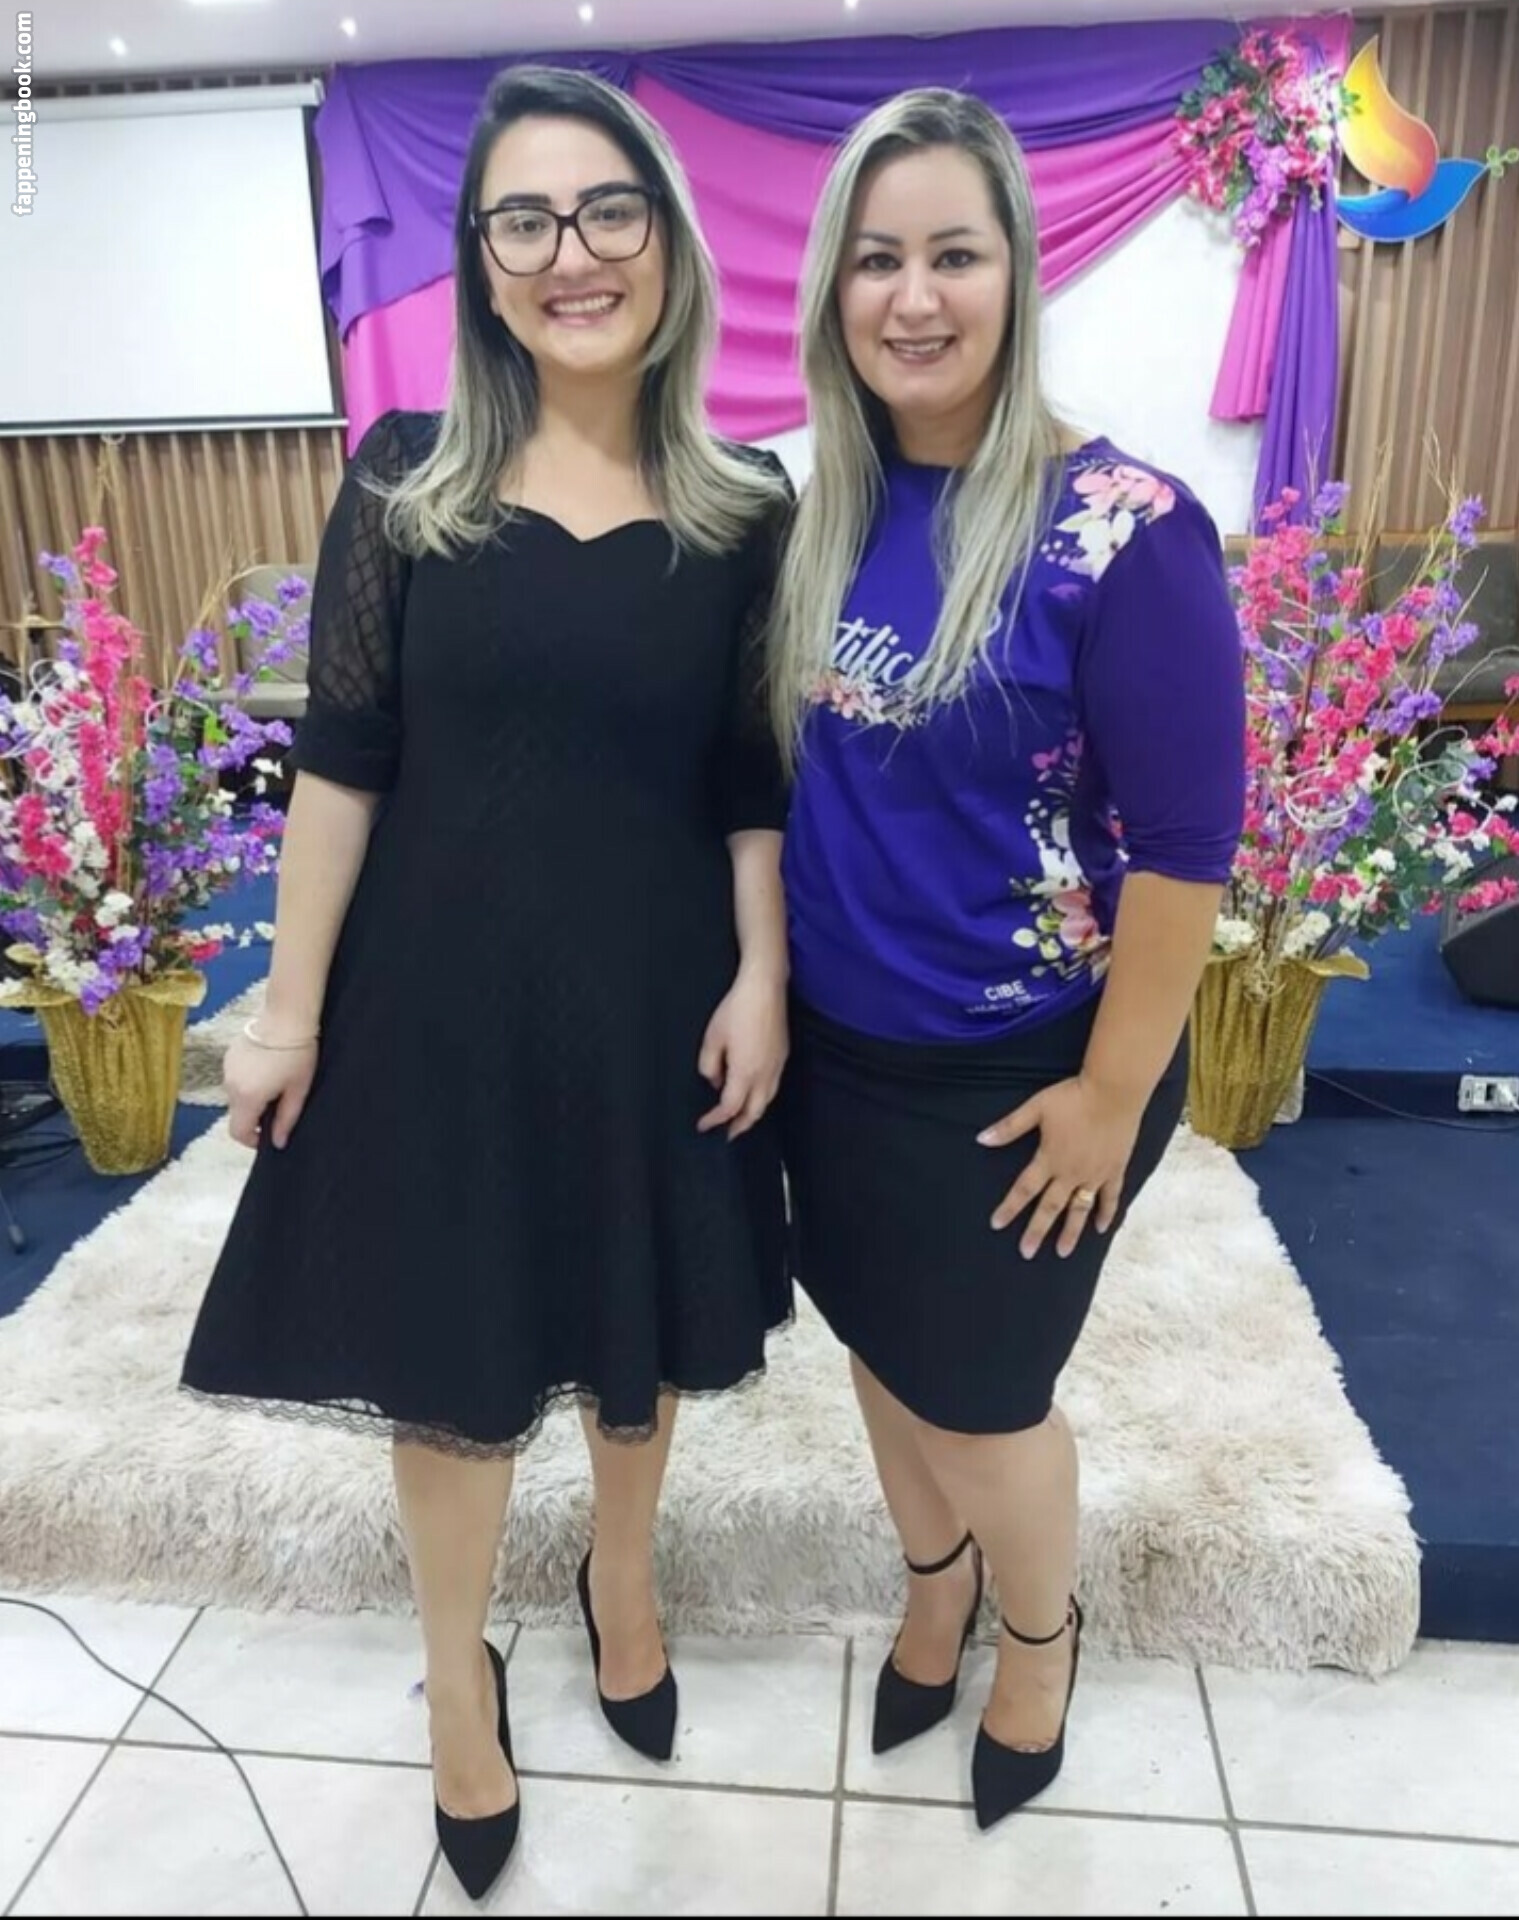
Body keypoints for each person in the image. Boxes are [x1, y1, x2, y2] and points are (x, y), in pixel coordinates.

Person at [181, 66, 793, 1900]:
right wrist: (286, 1011)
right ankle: (459, 1677)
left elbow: (751, 778)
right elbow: (342, 760)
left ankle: (623, 1575)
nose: (568, 253)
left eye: (607, 210)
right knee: (452, 1353)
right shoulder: (403, 480)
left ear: (666, 239)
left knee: (635, 1326)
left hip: (659, 989)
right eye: (522, 219)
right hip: (438, 997)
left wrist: (764, 972)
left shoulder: (746, 503)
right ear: (478, 257)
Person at [771, 89, 1246, 1832]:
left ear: (1017, 273)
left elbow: (1188, 850)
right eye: (876, 259)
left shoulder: (1125, 528)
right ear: (832, 289)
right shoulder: (825, 509)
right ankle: (937, 1585)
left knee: (983, 1399)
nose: (913, 296)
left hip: (1027, 1071)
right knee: (878, 1347)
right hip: (841, 1053)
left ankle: (1039, 1633)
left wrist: (1113, 1098)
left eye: (953, 255)